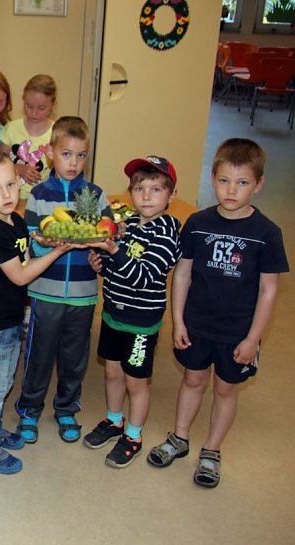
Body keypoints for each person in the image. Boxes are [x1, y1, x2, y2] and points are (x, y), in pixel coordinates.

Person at [147, 138, 288, 488]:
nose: (231, 190)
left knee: (226, 389)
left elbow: (269, 290)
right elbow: (182, 273)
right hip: (196, 324)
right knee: (192, 379)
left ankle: (211, 450)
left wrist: (254, 339)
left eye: (242, 183)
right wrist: (177, 320)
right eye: (224, 180)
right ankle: (179, 438)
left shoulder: (267, 234)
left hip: (237, 331)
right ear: (212, 178)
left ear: (258, 184)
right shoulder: (196, 223)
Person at [0, 149, 76, 475]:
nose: (6, 195)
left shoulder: (13, 220)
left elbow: (24, 248)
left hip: (10, 316)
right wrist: (56, 252)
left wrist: (38, 239)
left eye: (10, 185)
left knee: (0, 386)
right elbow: (21, 275)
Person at [16, 116, 111, 444]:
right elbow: (30, 237)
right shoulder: (39, 195)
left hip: (84, 293)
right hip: (45, 290)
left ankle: (67, 407)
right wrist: (43, 241)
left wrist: (104, 248)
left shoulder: (96, 196)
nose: (74, 162)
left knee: (75, 356)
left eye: (81, 155)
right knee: (38, 355)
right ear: (51, 153)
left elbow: (108, 235)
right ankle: (29, 410)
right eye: (67, 154)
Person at [83, 156, 182, 468]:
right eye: (139, 188)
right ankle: (115, 421)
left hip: (141, 322)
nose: (147, 196)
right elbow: (116, 269)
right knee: (112, 371)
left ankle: (135, 435)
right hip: (113, 313)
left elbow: (143, 277)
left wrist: (114, 250)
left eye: (156, 189)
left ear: (171, 196)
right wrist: (100, 262)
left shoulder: (167, 233)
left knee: (135, 381)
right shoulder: (129, 227)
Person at [0, 74, 57, 199]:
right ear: (23, 100)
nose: (34, 113)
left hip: (45, 200)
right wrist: (17, 168)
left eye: (41, 108)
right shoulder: (11, 128)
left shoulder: (57, 132)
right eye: (29, 106)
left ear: (53, 106)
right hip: (11, 199)